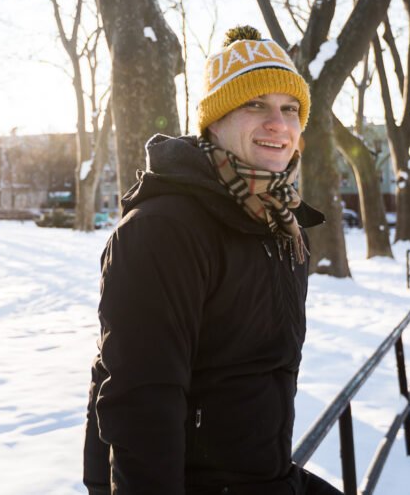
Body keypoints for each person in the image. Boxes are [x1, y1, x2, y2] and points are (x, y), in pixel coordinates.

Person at [83, 25, 342, 495]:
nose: (278, 125)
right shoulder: (164, 228)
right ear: (215, 121)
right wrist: (101, 484)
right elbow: (136, 396)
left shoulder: (283, 225)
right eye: (254, 105)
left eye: (289, 109)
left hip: (267, 472)